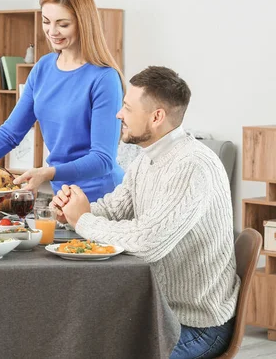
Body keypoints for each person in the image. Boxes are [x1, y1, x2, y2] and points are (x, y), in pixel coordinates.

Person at [51, 66, 240, 359]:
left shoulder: (192, 165)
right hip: (157, 314)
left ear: (156, 117)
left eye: (127, 107)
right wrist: (70, 210)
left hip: (195, 325)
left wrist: (83, 220)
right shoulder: (147, 158)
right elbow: (114, 210)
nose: (118, 115)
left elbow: (148, 243)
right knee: (73, 337)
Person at [0, 0, 125, 200]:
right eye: (46, 21)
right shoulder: (43, 68)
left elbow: (103, 159)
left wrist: (48, 173)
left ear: (84, 22)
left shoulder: (104, 78)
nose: (52, 31)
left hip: (103, 198)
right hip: (62, 196)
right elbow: (10, 134)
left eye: (63, 24)